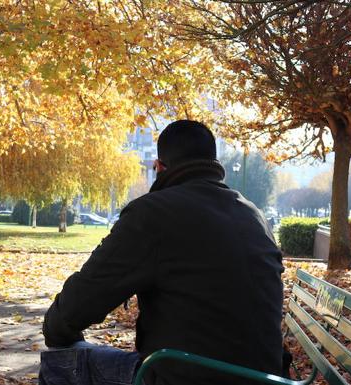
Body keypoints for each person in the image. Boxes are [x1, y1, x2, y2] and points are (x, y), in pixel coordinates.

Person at [40, 120, 284, 385]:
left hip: (191, 375)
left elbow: (81, 301)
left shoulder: (153, 214)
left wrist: (56, 331)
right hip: (267, 377)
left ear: (159, 167)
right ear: (214, 163)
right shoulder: (254, 215)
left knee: (60, 363)